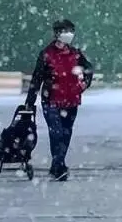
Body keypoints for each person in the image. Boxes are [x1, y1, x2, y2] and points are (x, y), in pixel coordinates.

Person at [25, 19, 93, 181]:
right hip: (52, 100)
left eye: (71, 31)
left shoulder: (75, 53)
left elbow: (89, 68)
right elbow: (37, 78)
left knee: (66, 133)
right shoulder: (47, 54)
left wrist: (84, 84)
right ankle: (58, 165)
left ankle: (58, 164)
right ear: (57, 34)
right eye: (66, 31)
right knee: (56, 132)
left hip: (71, 100)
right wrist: (30, 100)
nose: (70, 35)